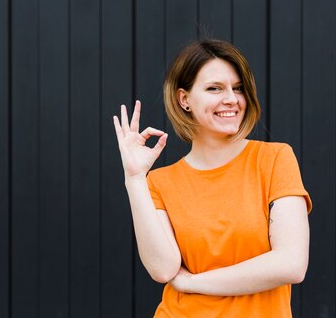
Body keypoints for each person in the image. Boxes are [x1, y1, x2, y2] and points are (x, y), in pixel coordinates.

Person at [112, 39, 311, 317]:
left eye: (238, 88)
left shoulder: (275, 159)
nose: (231, 98)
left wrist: (193, 282)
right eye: (214, 88)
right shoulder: (160, 182)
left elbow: (291, 263)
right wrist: (134, 178)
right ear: (184, 100)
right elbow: (163, 269)